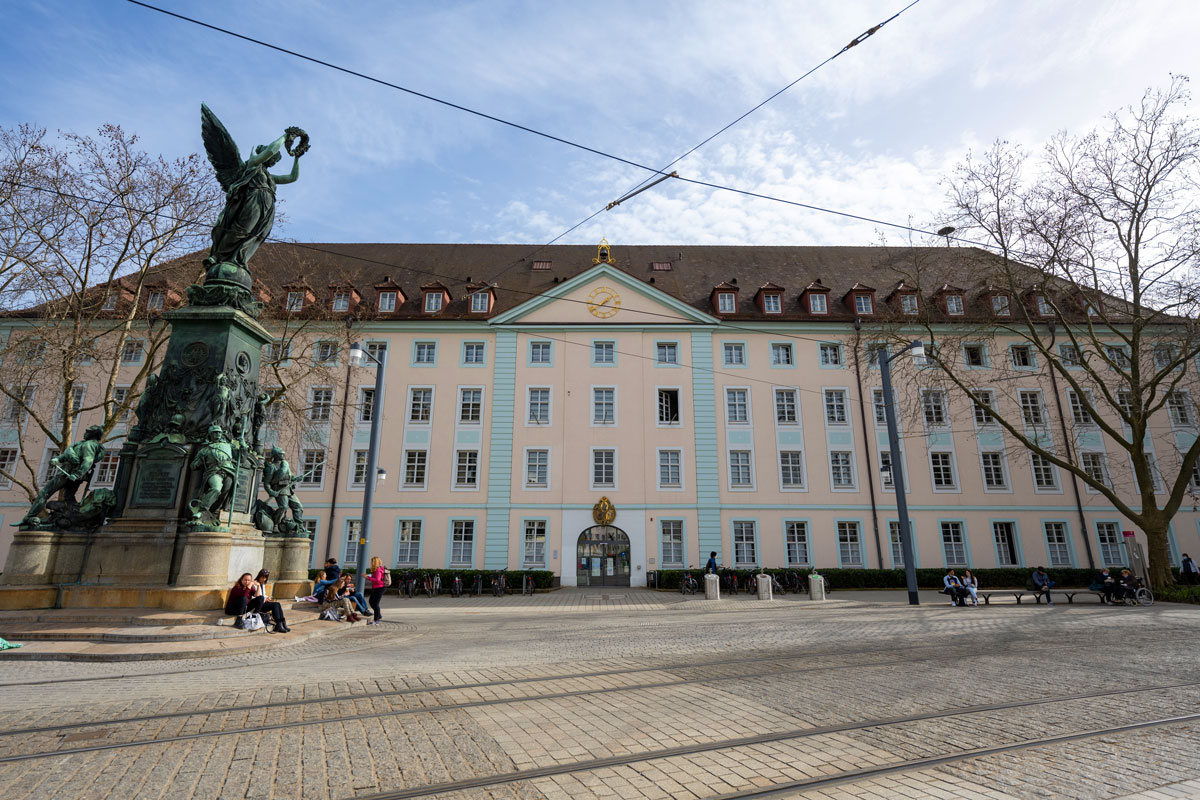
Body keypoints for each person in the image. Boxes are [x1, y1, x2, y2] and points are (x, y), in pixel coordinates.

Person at [366, 556, 387, 625]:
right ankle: (378, 615)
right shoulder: (377, 569)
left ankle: (376, 620)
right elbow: (376, 577)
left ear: (375, 562)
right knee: (371, 601)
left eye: (372, 562)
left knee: (375, 603)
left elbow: (377, 580)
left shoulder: (378, 569)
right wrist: (370, 576)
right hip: (376, 588)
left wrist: (368, 578)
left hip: (379, 588)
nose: (371, 563)